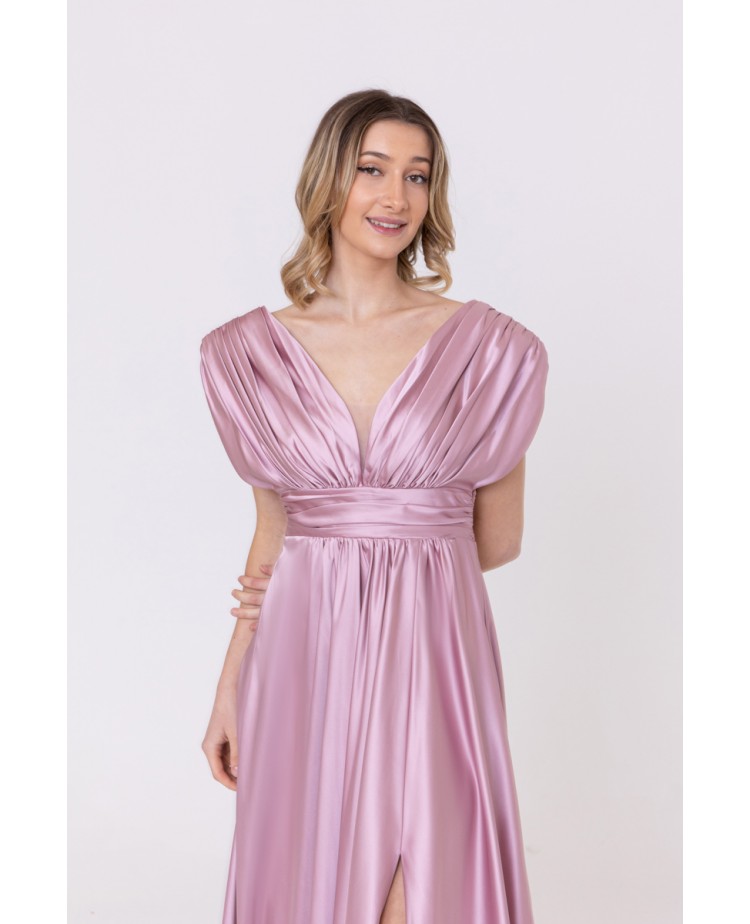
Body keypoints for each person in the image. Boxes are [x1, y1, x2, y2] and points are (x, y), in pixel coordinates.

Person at [199, 88, 549, 924]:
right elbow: (273, 534)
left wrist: (380, 560)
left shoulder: (493, 352)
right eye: (372, 169)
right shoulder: (245, 355)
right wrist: (231, 684)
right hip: (303, 655)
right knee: (312, 886)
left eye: (418, 176)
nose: (397, 196)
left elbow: (498, 538)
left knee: (425, 890)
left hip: (434, 654)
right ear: (328, 179)